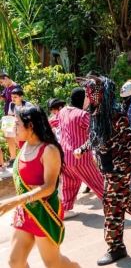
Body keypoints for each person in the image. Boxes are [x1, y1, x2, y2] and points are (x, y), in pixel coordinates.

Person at [76, 76, 131, 266]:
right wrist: (82, 149)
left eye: (89, 94)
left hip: (119, 169)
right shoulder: (97, 115)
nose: (87, 98)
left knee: (112, 207)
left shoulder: (116, 116)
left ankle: (116, 247)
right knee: (124, 200)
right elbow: (96, 138)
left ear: (99, 94)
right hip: (107, 168)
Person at [0, 105, 80, 268]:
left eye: (18, 124)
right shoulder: (24, 146)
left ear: (31, 126)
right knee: (15, 262)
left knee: (53, 264)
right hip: (25, 212)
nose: (14, 127)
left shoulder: (49, 150)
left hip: (44, 211)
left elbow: (49, 187)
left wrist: (14, 201)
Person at [57, 88, 104, 218]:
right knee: (98, 182)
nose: (89, 100)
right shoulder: (82, 115)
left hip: (64, 156)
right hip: (80, 157)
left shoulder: (62, 111)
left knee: (69, 184)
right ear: (82, 99)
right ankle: (113, 205)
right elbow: (96, 132)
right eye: (87, 98)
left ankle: (65, 210)